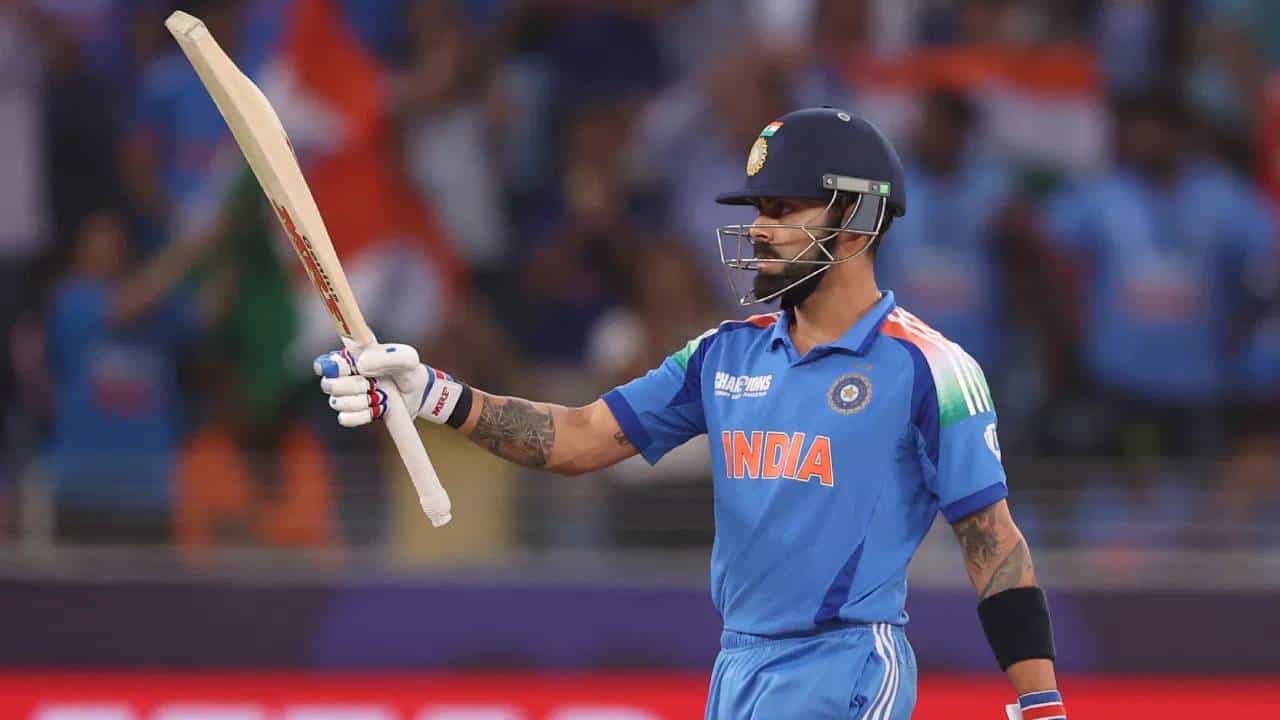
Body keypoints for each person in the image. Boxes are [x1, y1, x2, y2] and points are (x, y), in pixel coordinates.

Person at [313, 107, 1066, 719]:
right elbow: (578, 438)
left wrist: (1039, 703)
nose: (761, 228)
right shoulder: (722, 354)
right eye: (759, 209)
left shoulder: (932, 368)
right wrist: (432, 394)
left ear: (860, 221)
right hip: (737, 668)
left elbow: (992, 542)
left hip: (845, 667)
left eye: (784, 208)